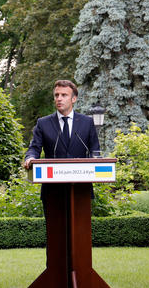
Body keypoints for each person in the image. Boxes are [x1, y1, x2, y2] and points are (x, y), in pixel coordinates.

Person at [23, 80, 100, 213]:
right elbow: (34, 148)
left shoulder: (87, 123)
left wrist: (97, 159)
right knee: (55, 232)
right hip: (52, 190)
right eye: (56, 95)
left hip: (81, 190)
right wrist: (30, 158)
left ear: (73, 99)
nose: (59, 98)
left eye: (64, 95)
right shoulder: (43, 123)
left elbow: (95, 150)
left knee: (80, 232)